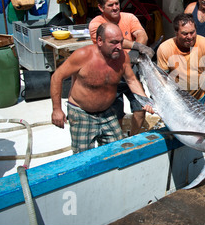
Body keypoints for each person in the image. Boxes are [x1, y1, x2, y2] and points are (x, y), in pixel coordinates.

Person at [51, 22, 154, 153]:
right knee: (84, 157)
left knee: (117, 151)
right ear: (100, 41)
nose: (119, 47)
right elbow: (56, 77)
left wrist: (145, 101)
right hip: (82, 113)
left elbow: (132, 80)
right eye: (114, 42)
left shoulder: (123, 57)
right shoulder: (82, 55)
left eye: (121, 42)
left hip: (107, 112)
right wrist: (57, 110)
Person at [89, 0, 154, 136]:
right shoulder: (95, 24)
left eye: (117, 3)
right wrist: (136, 46)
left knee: (141, 109)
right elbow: (111, 41)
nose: (115, 7)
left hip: (131, 73)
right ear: (100, 7)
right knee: (115, 115)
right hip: (109, 76)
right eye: (110, 5)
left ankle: (133, 137)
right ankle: (118, 140)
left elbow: (141, 35)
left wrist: (133, 53)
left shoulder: (129, 17)